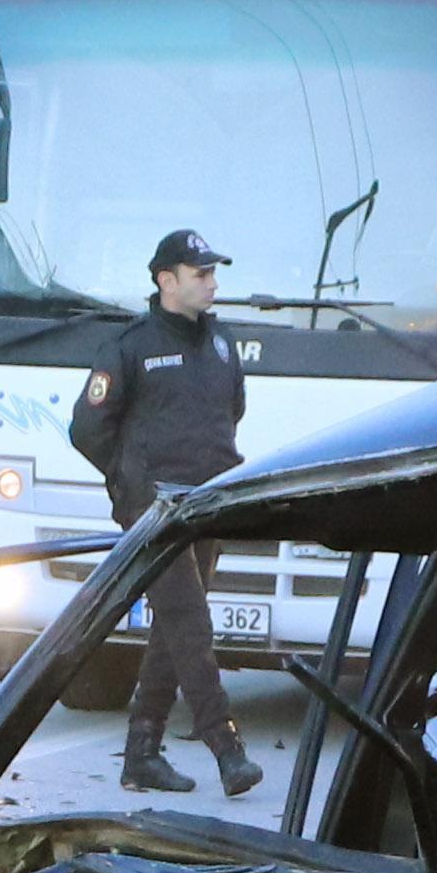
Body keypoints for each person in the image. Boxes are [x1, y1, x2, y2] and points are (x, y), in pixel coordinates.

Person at [69, 227, 260, 795]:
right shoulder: (131, 347)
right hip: (157, 510)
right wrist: (132, 484)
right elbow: (87, 428)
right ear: (166, 280)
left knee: (172, 633)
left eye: (213, 273)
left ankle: (141, 754)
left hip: (210, 505)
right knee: (190, 625)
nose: (213, 284)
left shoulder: (221, 343)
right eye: (201, 275)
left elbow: (233, 411)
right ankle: (226, 749)